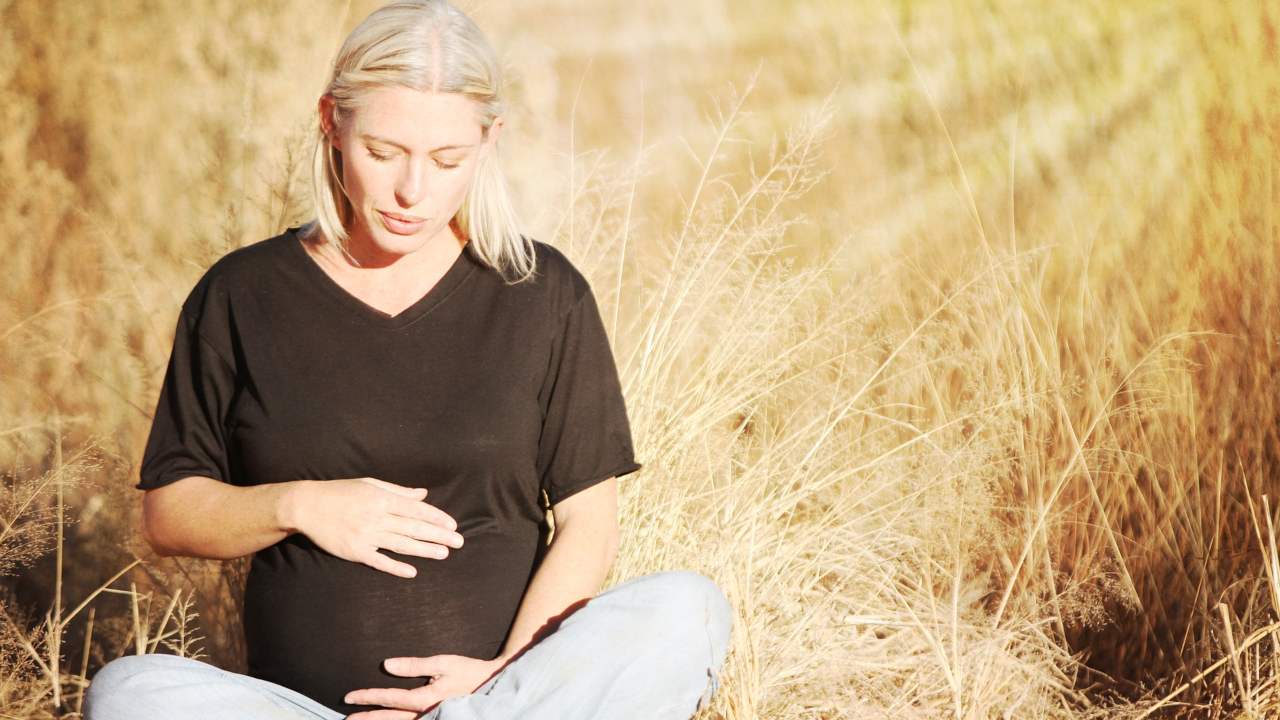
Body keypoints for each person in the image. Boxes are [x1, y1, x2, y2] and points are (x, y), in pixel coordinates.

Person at [82, 1, 732, 718]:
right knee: (128, 694)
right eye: (384, 153)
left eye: (447, 160)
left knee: (689, 611)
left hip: (499, 699)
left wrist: (497, 679)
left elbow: (589, 522)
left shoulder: (543, 295)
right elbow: (169, 513)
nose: (412, 192)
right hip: (302, 711)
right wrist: (302, 504)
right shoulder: (242, 294)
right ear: (333, 122)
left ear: (490, 140)